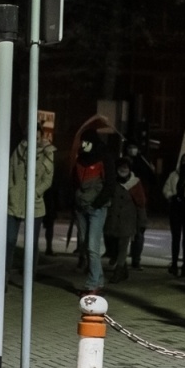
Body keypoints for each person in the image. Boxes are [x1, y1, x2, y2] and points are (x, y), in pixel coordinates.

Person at [72, 125, 117, 294]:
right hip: (82, 207)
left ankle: (92, 284)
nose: (83, 144)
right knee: (86, 245)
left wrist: (97, 203)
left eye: (85, 141)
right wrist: (75, 200)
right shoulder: (80, 158)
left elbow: (110, 184)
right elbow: (74, 181)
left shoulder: (104, 157)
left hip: (96, 208)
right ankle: (98, 280)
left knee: (92, 246)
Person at [6, 125, 55, 272]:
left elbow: (48, 180)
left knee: (31, 244)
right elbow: (10, 170)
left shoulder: (48, 153)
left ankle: (29, 276)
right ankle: (5, 275)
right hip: (14, 201)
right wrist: (11, 190)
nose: (35, 140)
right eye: (32, 137)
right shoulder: (19, 150)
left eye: (38, 137)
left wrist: (35, 193)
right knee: (9, 240)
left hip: (35, 204)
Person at [104, 156, 142, 283]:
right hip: (112, 221)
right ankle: (124, 269)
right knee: (113, 248)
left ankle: (118, 271)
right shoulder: (112, 182)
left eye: (126, 167)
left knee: (123, 246)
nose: (123, 169)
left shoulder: (135, 183)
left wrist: (142, 222)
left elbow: (141, 203)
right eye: (121, 167)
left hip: (128, 221)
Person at [162, 157, 185, 277]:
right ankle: (174, 264)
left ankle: (184, 265)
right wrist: (171, 196)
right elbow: (166, 188)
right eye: (184, 160)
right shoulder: (174, 175)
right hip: (176, 208)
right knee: (176, 237)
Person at [123, 142, 156, 270]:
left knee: (139, 232)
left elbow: (152, 181)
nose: (132, 150)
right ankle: (120, 260)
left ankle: (136, 259)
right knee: (123, 233)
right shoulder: (123, 162)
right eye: (130, 147)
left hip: (139, 202)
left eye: (134, 147)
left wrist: (152, 171)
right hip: (125, 201)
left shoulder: (143, 162)